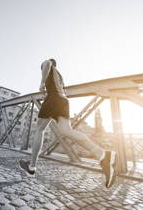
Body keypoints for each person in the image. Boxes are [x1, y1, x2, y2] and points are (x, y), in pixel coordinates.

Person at [20, 59, 117, 188]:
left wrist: (42, 82)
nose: (43, 69)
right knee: (67, 131)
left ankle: (32, 166)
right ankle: (103, 154)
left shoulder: (48, 64)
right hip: (63, 101)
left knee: (40, 129)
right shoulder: (59, 76)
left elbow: (47, 63)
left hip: (54, 98)